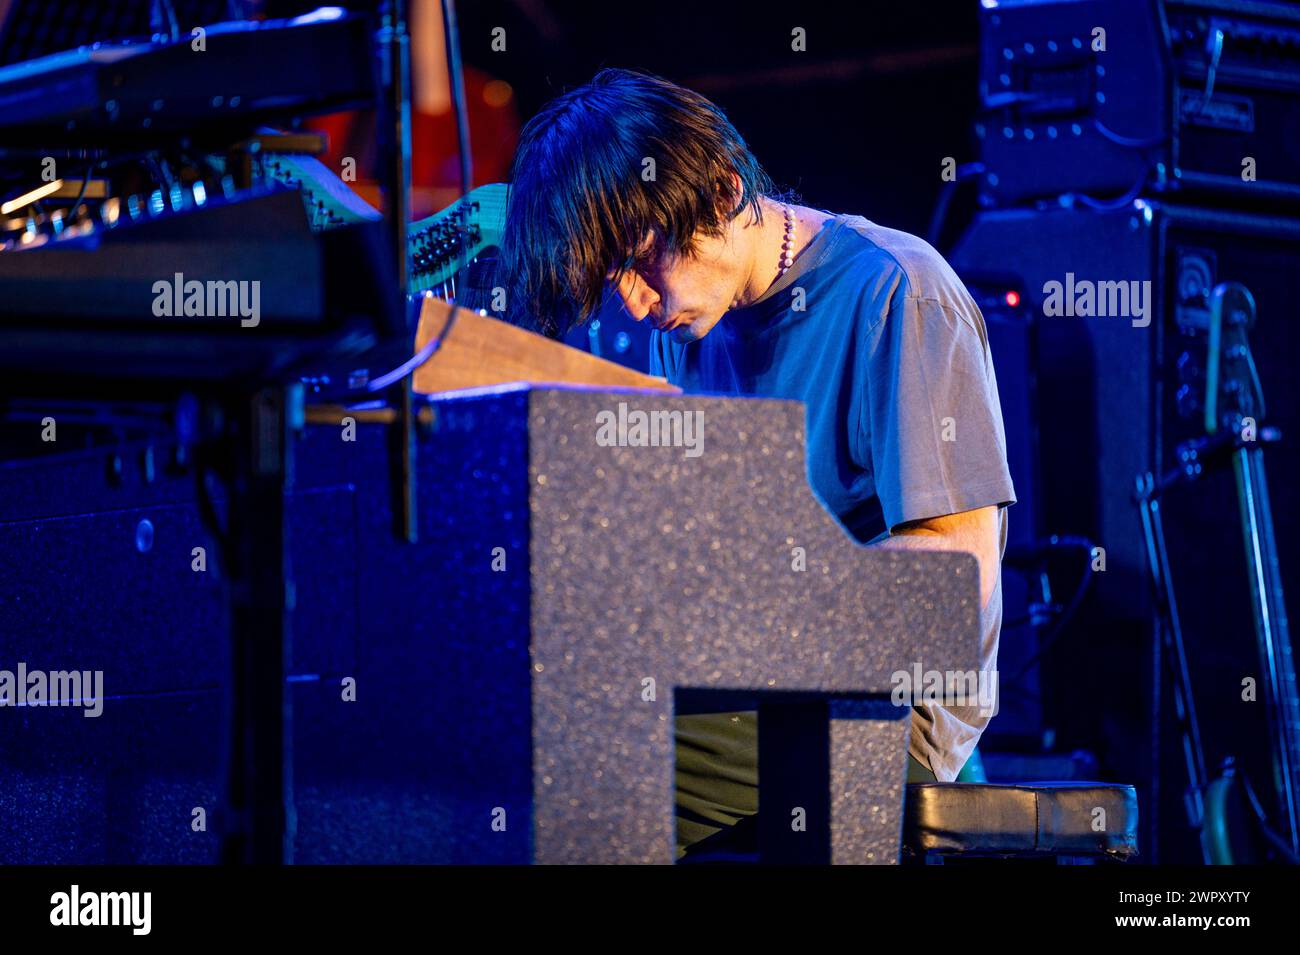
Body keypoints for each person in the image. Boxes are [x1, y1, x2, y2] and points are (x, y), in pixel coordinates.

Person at [499, 68, 1015, 859]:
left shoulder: (898, 292)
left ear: (720, 194)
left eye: (641, 263)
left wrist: (736, 608)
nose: (633, 304)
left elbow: (957, 574)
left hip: (883, 708)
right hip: (727, 678)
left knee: (577, 771)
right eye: (613, 282)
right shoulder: (674, 327)